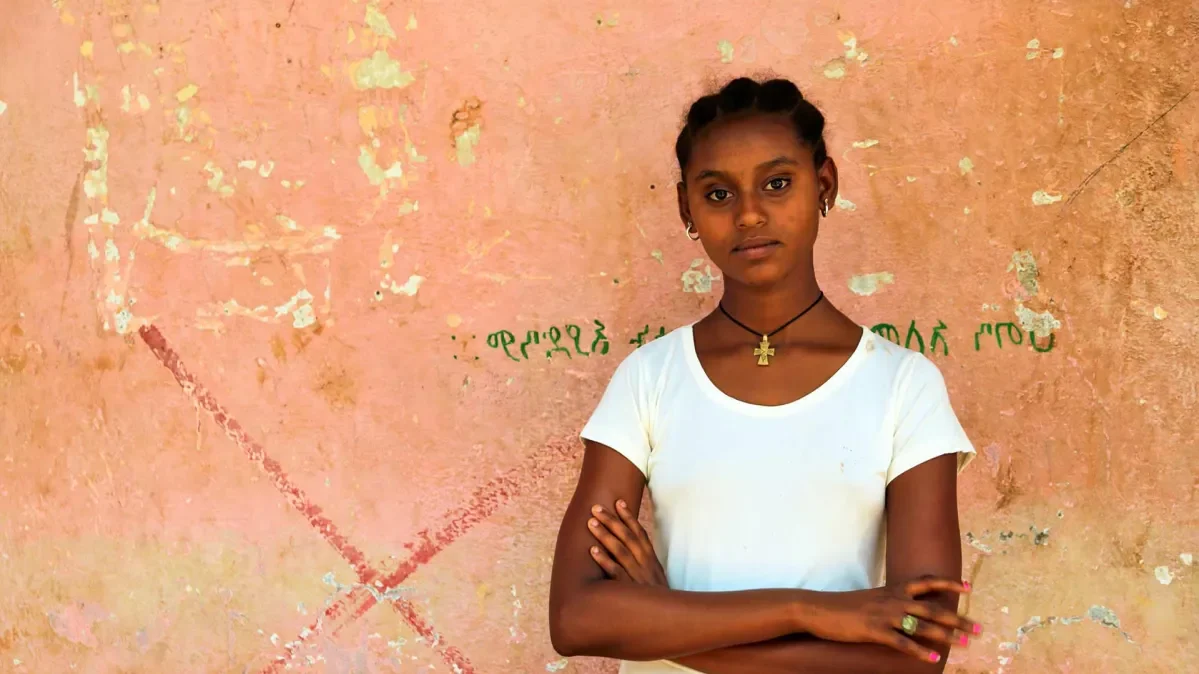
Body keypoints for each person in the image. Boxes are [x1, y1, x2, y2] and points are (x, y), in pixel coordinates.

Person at [547, 76, 980, 674]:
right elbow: (574, 619)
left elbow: (917, 655)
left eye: (777, 184)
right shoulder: (649, 378)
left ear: (824, 185)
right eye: (718, 194)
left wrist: (667, 619)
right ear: (686, 209)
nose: (749, 213)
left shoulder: (904, 385)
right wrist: (810, 611)